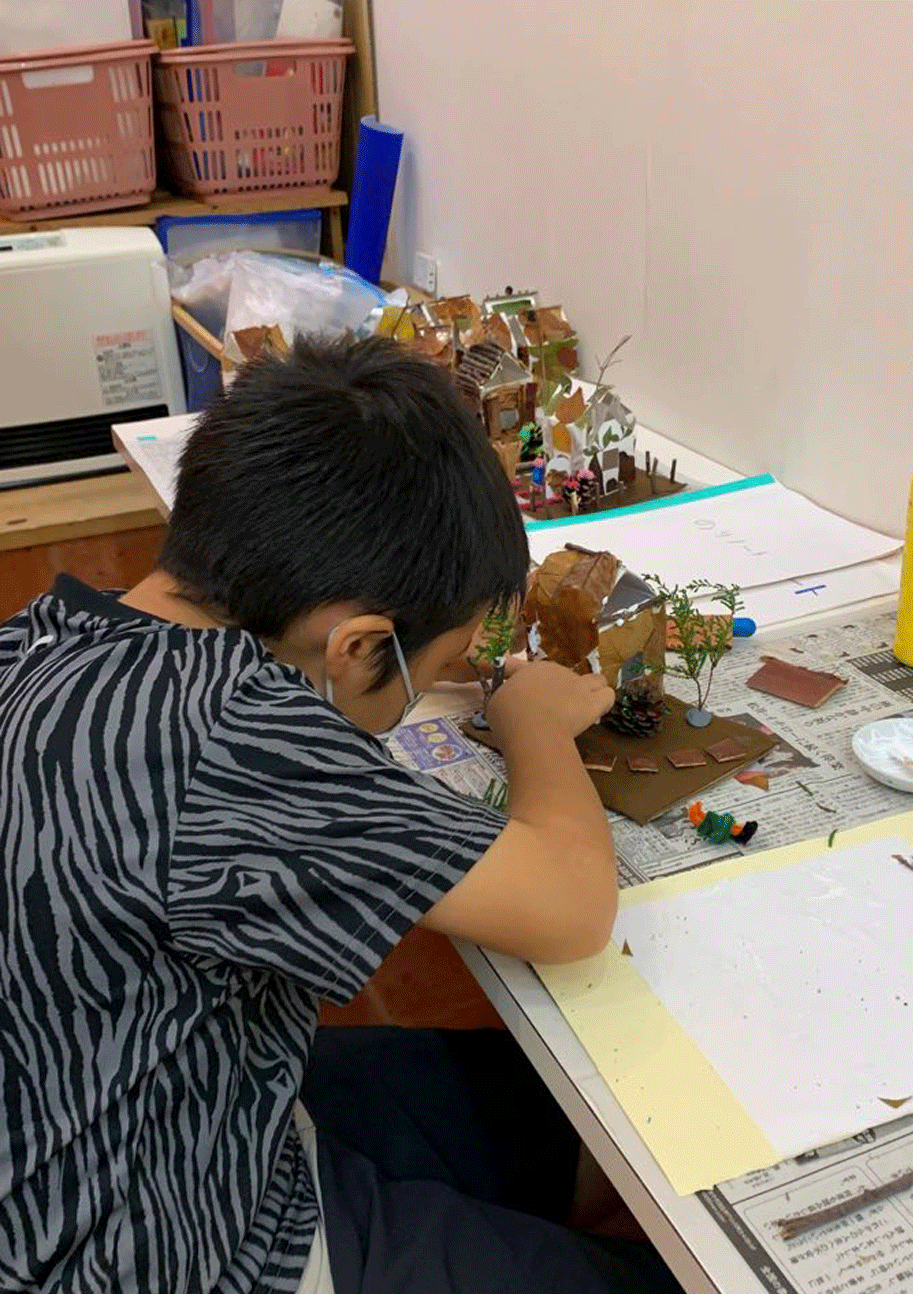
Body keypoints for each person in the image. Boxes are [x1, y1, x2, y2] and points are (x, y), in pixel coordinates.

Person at [0, 338, 680, 1294]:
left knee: (568, 1123)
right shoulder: (240, 735)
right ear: (358, 648)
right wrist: (532, 721)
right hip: (157, 1248)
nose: (436, 685)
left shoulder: (46, 633)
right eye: (431, 670)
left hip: (115, 1119)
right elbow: (571, 908)